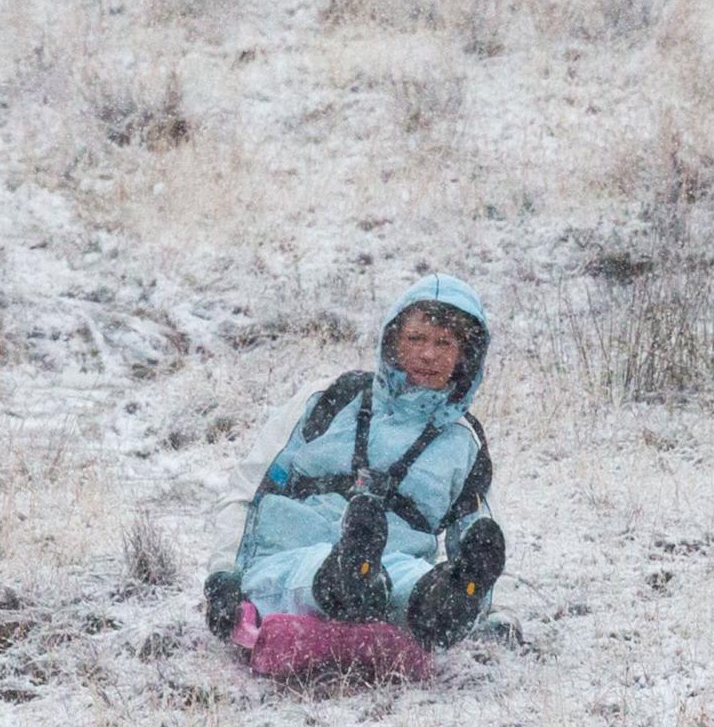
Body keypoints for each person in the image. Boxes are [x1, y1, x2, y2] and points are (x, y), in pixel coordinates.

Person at [204, 274, 506, 650]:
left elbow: (476, 533)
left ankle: (437, 605)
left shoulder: (463, 440)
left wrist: (487, 608)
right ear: (392, 341)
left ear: (466, 355)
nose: (429, 354)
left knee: (412, 580)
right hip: (289, 555)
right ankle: (348, 577)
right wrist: (223, 576)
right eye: (416, 339)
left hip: (393, 564)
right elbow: (249, 488)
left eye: (444, 343)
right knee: (314, 570)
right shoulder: (328, 398)